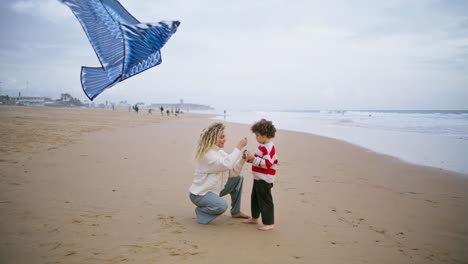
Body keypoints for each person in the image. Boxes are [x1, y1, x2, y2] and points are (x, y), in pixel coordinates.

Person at [189, 122, 250, 224]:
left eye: (224, 136)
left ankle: (236, 211)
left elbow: (233, 171)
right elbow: (227, 164)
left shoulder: (219, 152)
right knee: (221, 206)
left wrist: (243, 159)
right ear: (213, 138)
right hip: (200, 194)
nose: (224, 139)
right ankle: (201, 212)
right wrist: (239, 147)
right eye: (221, 137)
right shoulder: (207, 155)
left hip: (214, 190)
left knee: (238, 178)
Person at [243, 119, 278, 231]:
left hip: (265, 179)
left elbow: (267, 164)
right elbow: (257, 159)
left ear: (265, 135)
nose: (256, 137)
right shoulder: (262, 146)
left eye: (257, 135)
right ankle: (254, 217)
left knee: (265, 200)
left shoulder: (270, 148)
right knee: (255, 198)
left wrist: (254, 159)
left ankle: (269, 223)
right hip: (258, 177)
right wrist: (250, 159)